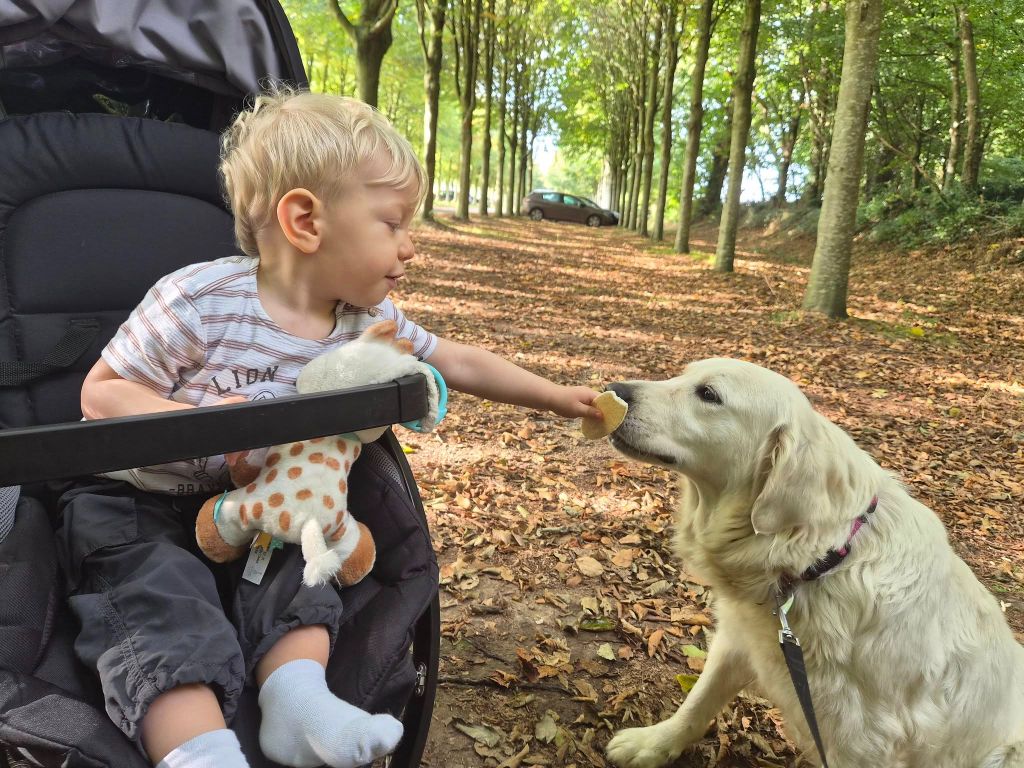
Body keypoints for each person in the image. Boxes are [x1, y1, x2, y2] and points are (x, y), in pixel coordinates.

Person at [56, 86, 601, 768]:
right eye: (394, 223)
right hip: (132, 500)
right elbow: (101, 396)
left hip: (265, 508)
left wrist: (554, 397)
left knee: (304, 563)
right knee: (158, 604)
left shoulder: (364, 323)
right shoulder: (198, 303)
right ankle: (199, 752)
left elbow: (456, 359)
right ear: (307, 221)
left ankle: (294, 699)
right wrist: (193, 422)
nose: (413, 246)